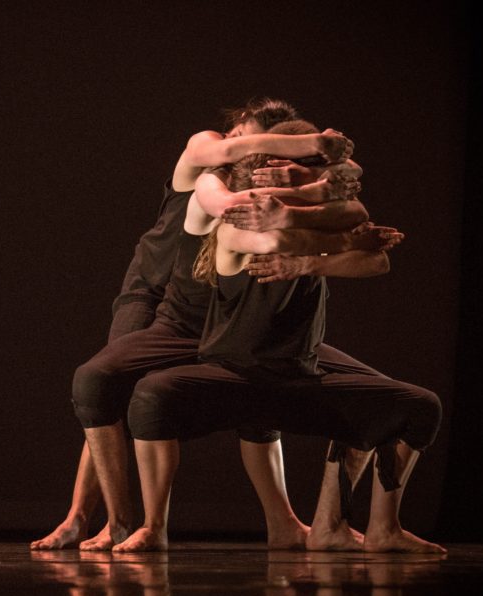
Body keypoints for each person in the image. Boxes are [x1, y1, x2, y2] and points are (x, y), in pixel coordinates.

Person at [31, 99, 392, 551]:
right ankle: (97, 518)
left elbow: (344, 193)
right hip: (159, 292)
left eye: (275, 150)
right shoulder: (212, 155)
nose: (252, 148)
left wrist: (322, 177)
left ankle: (289, 523)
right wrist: (315, 162)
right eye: (256, 139)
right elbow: (231, 187)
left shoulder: (269, 182)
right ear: (240, 128)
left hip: (220, 310)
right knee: (107, 385)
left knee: (262, 392)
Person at [116, 135, 444, 554]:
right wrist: (342, 241)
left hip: (298, 376)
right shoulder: (235, 226)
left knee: (417, 407)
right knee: (149, 396)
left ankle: (369, 528)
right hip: (235, 376)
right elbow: (276, 242)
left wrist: (311, 256)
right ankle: (153, 527)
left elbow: (376, 258)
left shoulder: (318, 224)